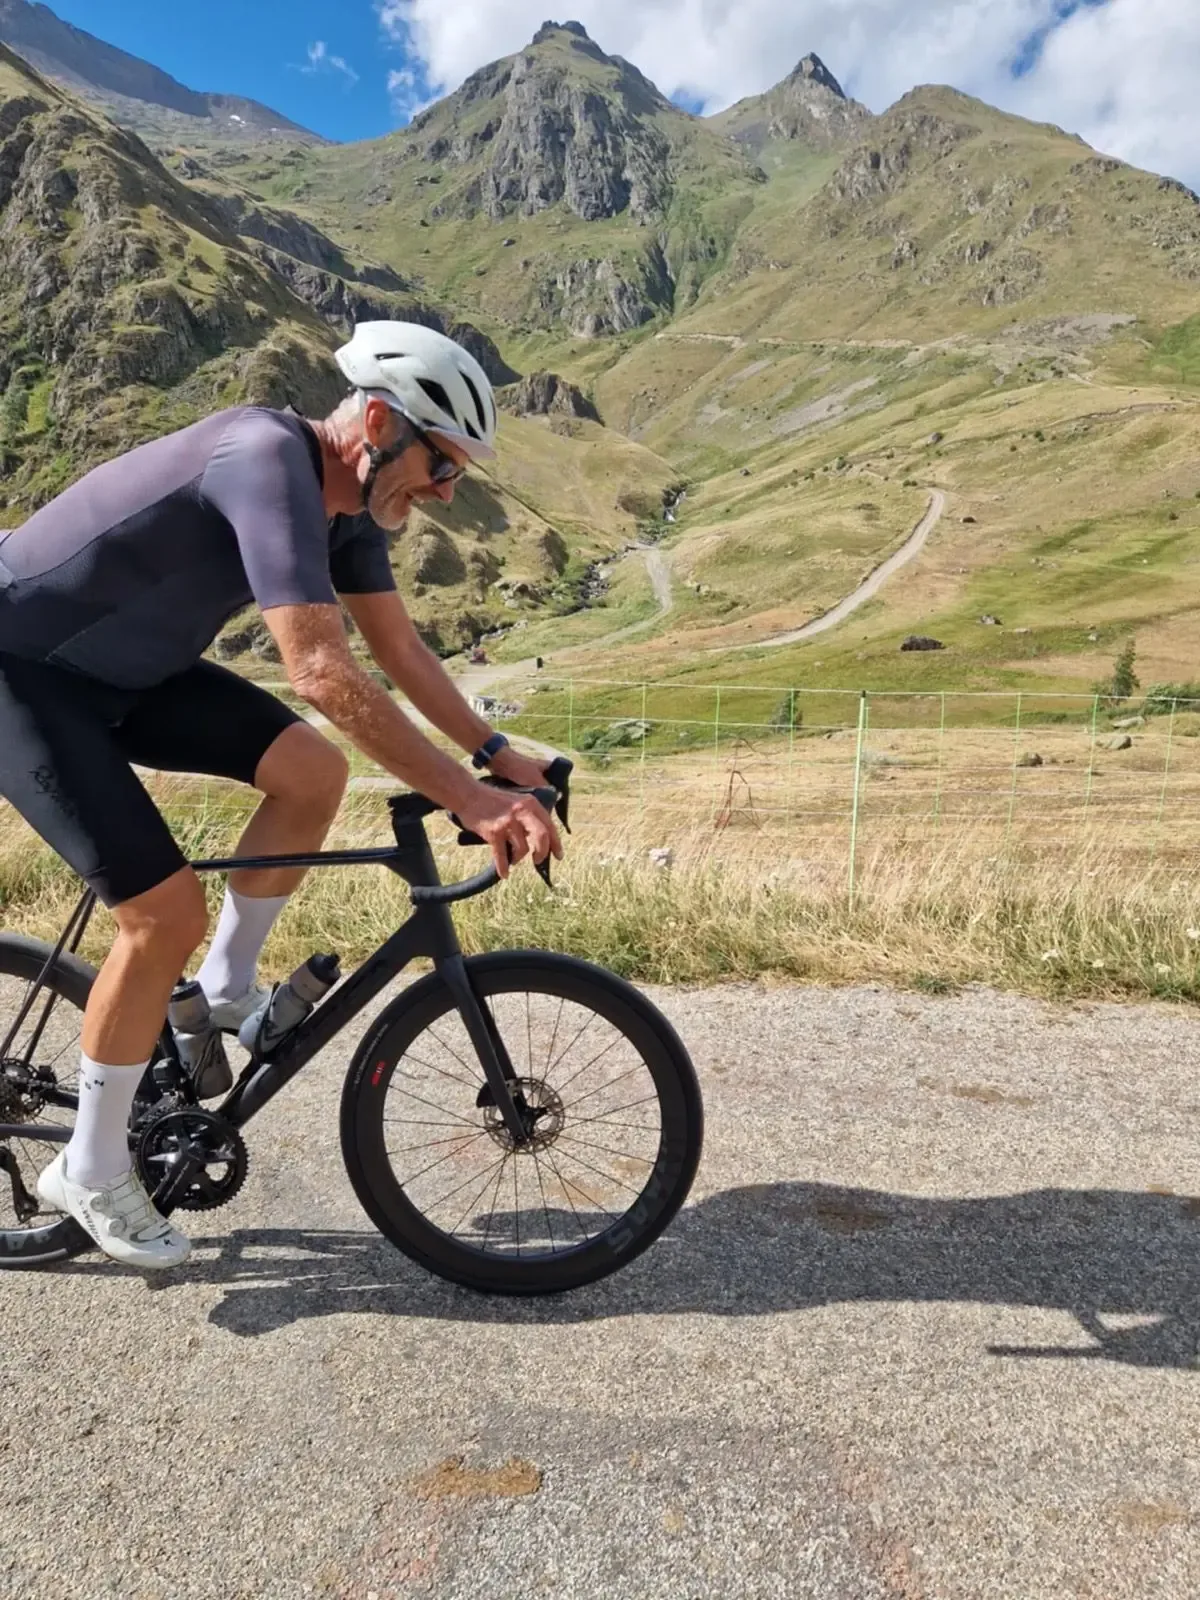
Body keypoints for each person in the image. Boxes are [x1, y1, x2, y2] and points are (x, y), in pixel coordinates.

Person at [0, 321, 561, 1270]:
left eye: (455, 474)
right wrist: (467, 797)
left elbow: (400, 653)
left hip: (130, 677)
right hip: (23, 672)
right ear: (379, 422)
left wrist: (496, 751)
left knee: (312, 772)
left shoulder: (351, 510)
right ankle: (88, 1170)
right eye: (440, 464)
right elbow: (321, 670)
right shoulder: (263, 458)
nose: (444, 492)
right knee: (158, 913)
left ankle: (222, 992)